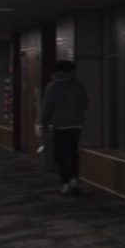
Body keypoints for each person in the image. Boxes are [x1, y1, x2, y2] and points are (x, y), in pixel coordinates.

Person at [39, 60, 88, 195]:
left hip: (60, 126)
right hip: (76, 125)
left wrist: (44, 125)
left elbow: (47, 109)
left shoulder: (52, 87)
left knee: (61, 155)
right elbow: (85, 103)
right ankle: (73, 179)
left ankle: (65, 184)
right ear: (71, 71)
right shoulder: (79, 85)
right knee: (73, 153)